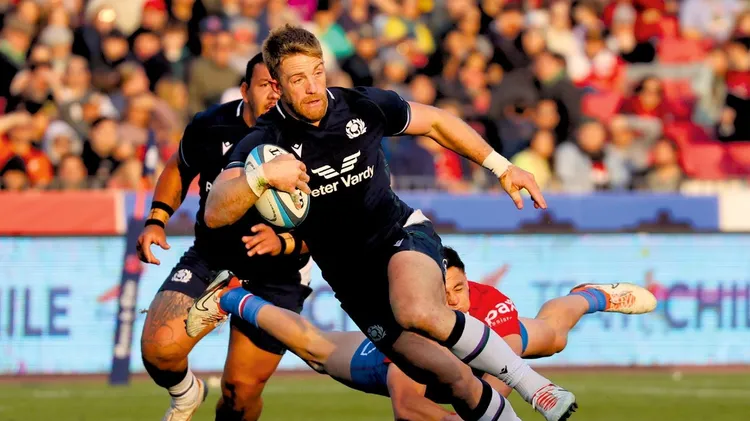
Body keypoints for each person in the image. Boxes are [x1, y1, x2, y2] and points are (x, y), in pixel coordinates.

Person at [203, 25, 573, 421]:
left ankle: (536, 387)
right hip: (353, 281)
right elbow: (214, 212)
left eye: (318, 72)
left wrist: (501, 167)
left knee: (417, 309)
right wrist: (260, 178)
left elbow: (436, 122)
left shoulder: (361, 105)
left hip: (399, 235)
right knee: (454, 379)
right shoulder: (264, 142)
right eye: (298, 79)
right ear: (277, 86)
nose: (312, 87)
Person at [184, 246, 656, 421]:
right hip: (390, 362)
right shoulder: (411, 319)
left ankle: (590, 296)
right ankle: (232, 297)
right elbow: (409, 409)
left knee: (553, 335)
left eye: (458, 289)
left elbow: (498, 381)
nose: (454, 302)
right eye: (441, 294)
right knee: (313, 349)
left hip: (474, 361)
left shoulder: (487, 303)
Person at [136, 53, 313, 421]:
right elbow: (179, 167)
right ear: (245, 90)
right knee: (158, 351)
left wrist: (284, 242)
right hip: (212, 256)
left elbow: (337, 222)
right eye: (265, 86)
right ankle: (187, 394)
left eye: (281, 87)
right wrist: (157, 219)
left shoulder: (310, 135)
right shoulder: (211, 125)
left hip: (278, 272)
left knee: (238, 395)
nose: (275, 95)